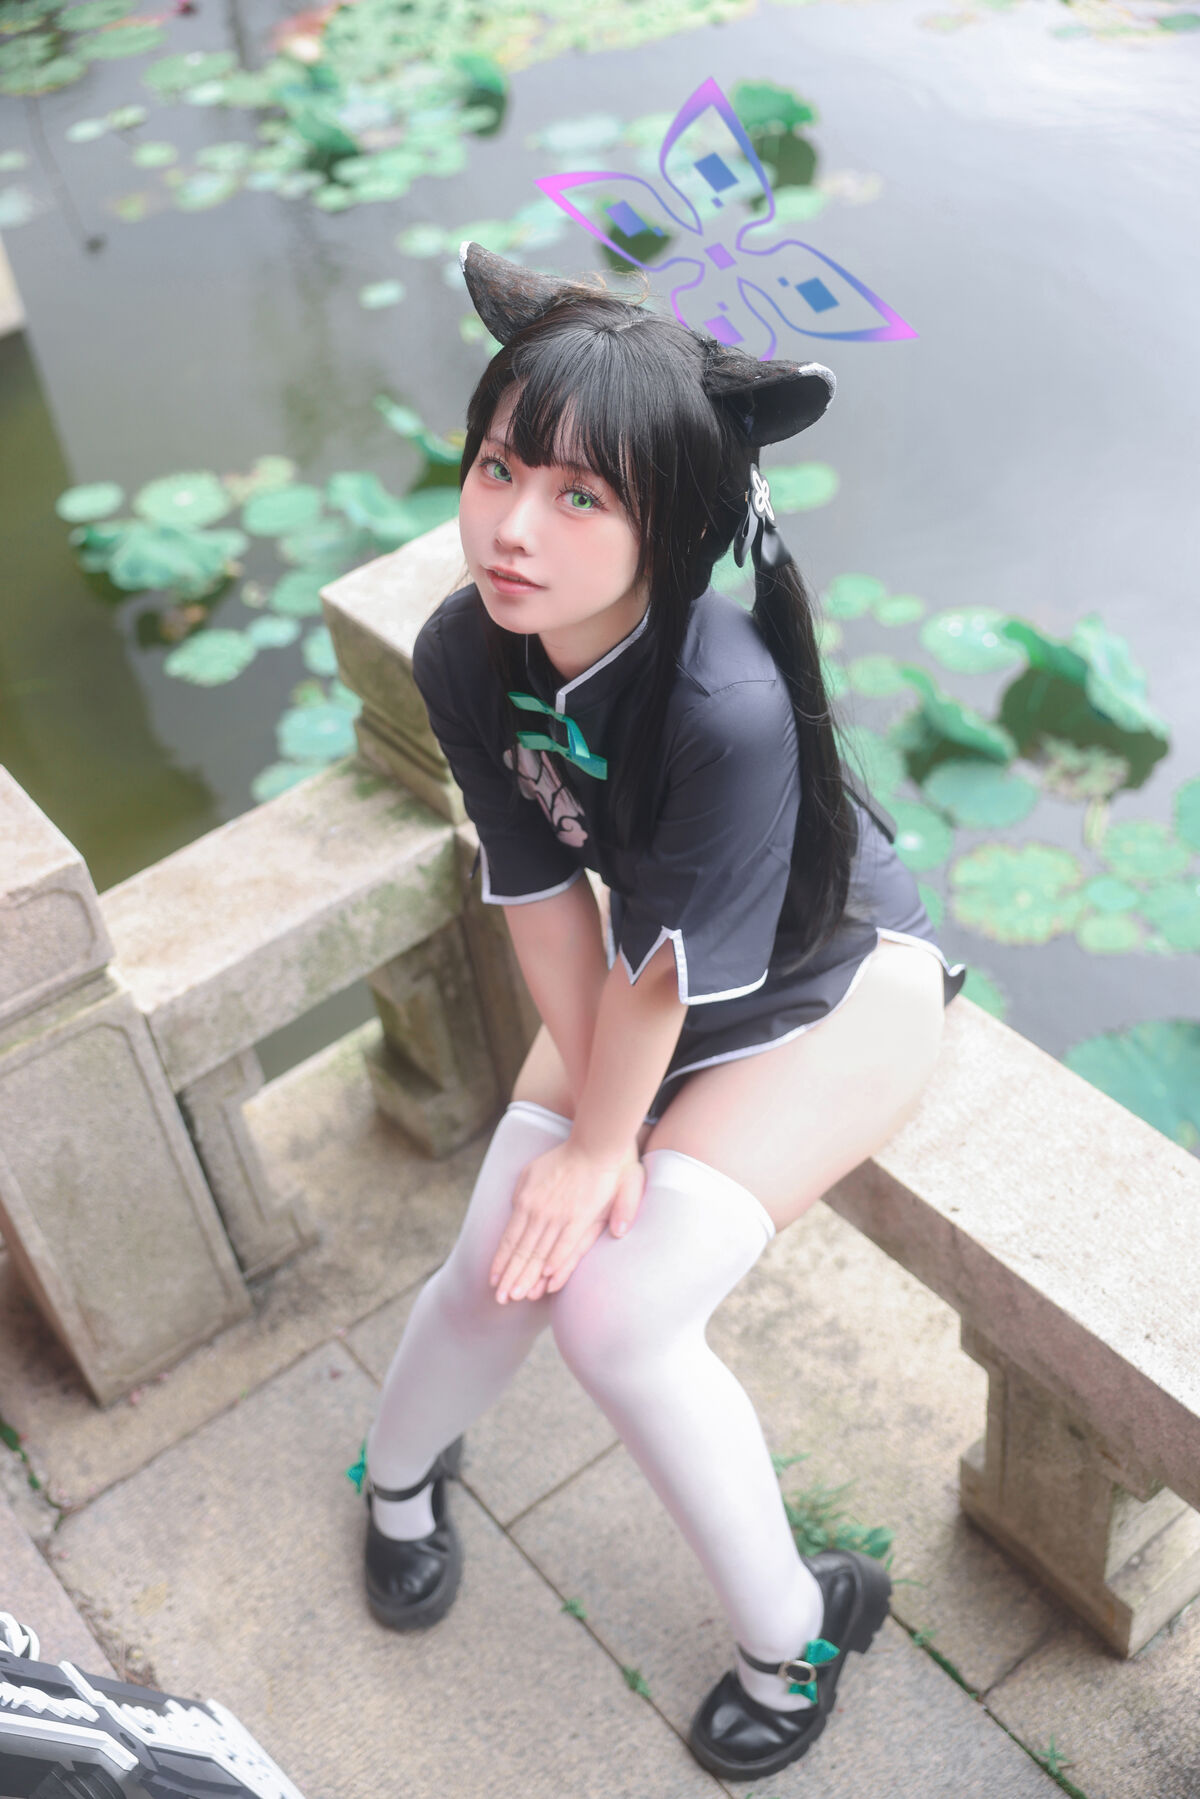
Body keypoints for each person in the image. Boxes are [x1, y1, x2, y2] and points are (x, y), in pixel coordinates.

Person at [356, 241, 967, 1782]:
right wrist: (579, 1138)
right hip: (646, 970)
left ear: (673, 525)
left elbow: (665, 976)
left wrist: (602, 1144)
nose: (512, 526)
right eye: (500, 468)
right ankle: (398, 1479)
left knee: (618, 1318)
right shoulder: (464, 649)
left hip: (834, 991)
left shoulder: (724, 703)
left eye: (581, 497)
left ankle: (797, 1632)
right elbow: (545, 897)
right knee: (501, 1259)